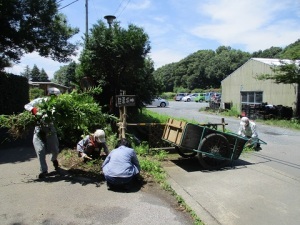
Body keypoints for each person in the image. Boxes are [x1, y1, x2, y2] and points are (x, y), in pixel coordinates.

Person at [24, 90, 60, 179]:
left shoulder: (58, 104)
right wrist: (33, 109)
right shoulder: (40, 101)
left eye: (54, 96)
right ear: (48, 94)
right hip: (38, 127)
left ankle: (54, 159)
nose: (52, 97)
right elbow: (27, 105)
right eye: (51, 95)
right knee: (40, 150)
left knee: (54, 148)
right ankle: (43, 170)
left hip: (50, 128)